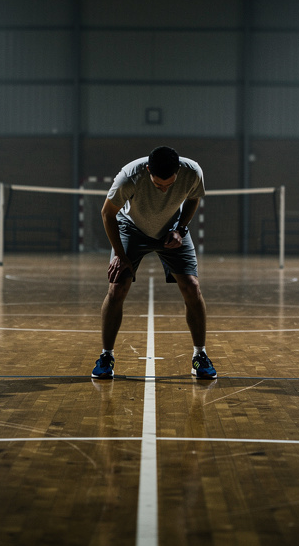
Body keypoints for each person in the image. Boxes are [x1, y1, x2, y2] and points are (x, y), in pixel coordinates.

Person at [92, 146, 216, 380]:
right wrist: (120, 255)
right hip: (131, 228)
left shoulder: (193, 172)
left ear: (178, 171)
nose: (164, 189)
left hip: (172, 230)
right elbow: (107, 213)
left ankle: (200, 355)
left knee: (192, 286)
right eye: (158, 185)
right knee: (117, 288)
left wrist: (180, 229)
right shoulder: (129, 177)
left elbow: (193, 198)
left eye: (170, 184)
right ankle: (106, 356)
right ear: (148, 170)